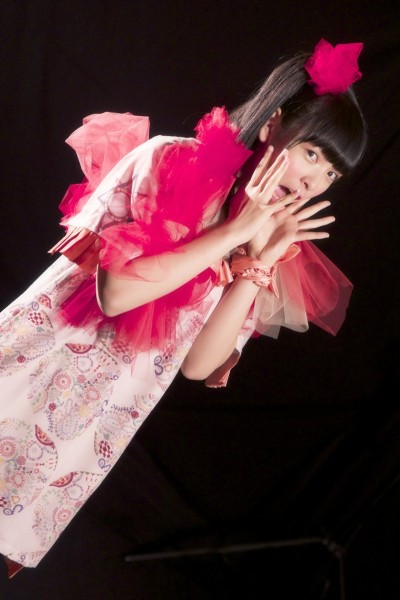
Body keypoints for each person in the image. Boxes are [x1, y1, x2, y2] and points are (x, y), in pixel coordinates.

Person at [0, 38, 367, 576]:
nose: (313, 182)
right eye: (312, 154)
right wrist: (232, 233)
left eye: (331, 173)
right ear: (273, 125)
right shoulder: (172, 161)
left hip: (85, 425)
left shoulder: (263, 240)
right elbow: (116, 294)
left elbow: (198, 365)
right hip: (32, 365)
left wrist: (259, 263)